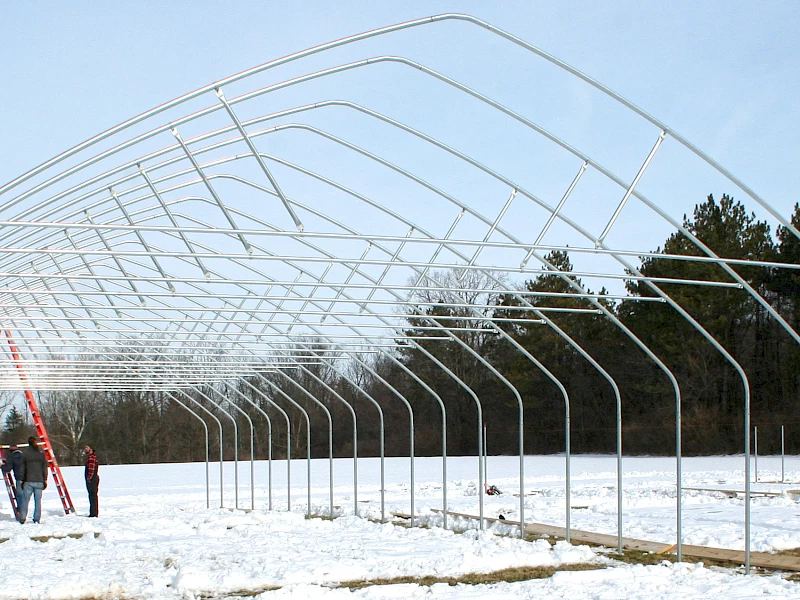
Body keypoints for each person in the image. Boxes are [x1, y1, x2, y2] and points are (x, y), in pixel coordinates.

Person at [18, 437, 48, 524]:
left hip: (28, 480)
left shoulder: (25, 454)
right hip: (39, 480)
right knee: (38, 501)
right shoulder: (41, 454)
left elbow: (22, 468)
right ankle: (37, 518)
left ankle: (22, 518)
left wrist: (21, 479)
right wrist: (45, 479)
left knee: (25, 500)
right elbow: (44, 468)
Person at [1, 444, 24, 511]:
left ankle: (21, 509)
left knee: (20, 495)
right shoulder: (24, 455)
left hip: (19, 477)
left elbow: (8, 469)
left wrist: (2, 466)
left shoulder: (11, 457)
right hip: (29, 477)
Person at [84, 444, 99, 517]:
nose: (85, 449)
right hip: (93, 479)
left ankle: (94, 513)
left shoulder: (92, 457)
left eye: (87, 448)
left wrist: (89, 478)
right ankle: (93, 512)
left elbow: (91, 469)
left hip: (92, 479)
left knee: (93, 496)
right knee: (92, 496)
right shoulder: (90, 457)